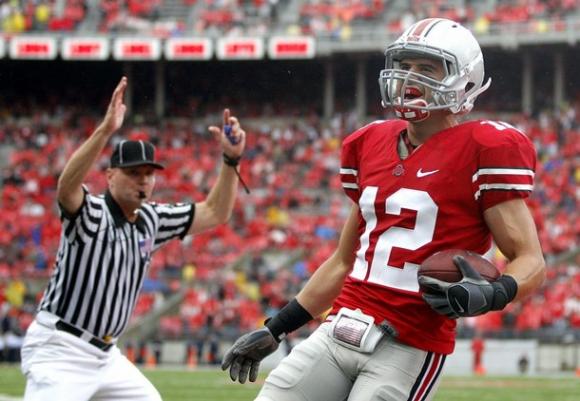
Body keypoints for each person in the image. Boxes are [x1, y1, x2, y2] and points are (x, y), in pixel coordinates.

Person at [222, 17, 546, 401]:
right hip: (337, 329)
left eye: (427, 68)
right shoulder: (370, 143)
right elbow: (344, 262)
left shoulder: (485, 148)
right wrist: (276, 327)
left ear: (464, 80)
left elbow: (530, 260)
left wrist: (496, 292)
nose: (410, 78)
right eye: (405, 66)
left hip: (408, 345)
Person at [20, 76, 247, 401]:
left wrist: (230, 161)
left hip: (106, 354)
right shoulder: (92, 213)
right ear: (110, 175)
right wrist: (105, 130)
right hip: (61, 347)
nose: (143, 181)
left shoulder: (151, 219)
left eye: (149, 174)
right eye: (133, 173)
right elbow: (66, 188)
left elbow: (215, 212)